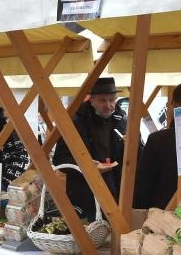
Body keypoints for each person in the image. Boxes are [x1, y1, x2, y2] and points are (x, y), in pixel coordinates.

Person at [54, 77, 127, 220]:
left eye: (112, 100)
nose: (109, 105)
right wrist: (87, 166)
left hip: (115, 190)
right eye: (102, 100)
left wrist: (132, 145)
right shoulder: (75, 122)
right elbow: (59, 159)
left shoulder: (121, 119)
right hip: (84, 193)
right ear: (91, 100)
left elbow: (135, 155)